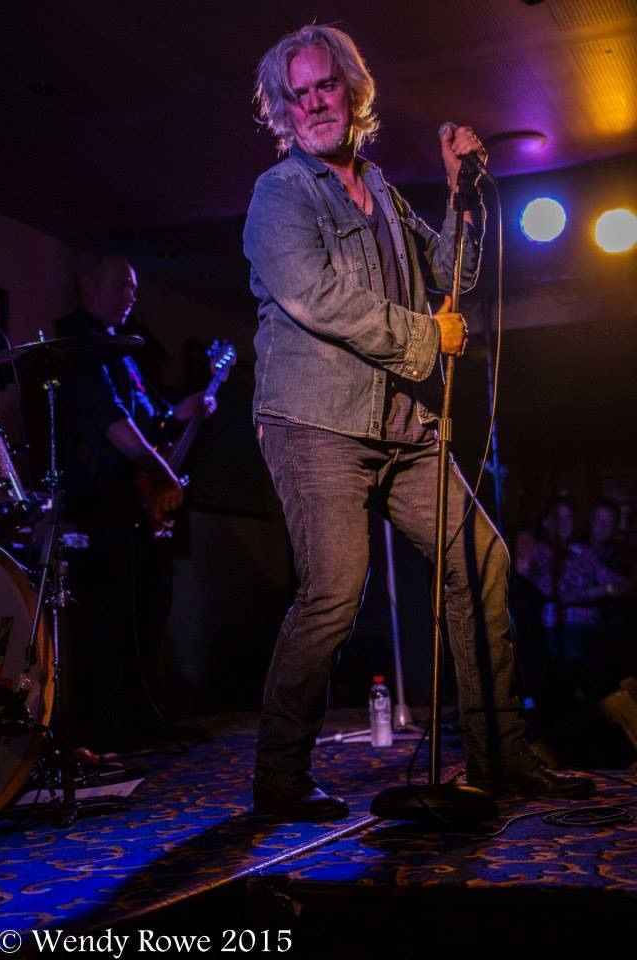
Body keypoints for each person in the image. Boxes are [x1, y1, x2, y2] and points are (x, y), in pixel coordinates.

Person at [243, 24, 594, 820]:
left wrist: (459, 193)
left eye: (324, 86)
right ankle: (280, 776)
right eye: (297, 95)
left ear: (352, 90)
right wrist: (425, 337)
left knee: (483, 560)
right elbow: (318, 298)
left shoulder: (382, 191)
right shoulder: (280, 195)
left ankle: (501, 757)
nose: (313, 104)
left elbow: (451, 273)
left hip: (403, 423)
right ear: (283, 109)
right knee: (335, 591)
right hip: (316, 422)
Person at [55, 252, 214, 754]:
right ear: (88, 286)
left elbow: (150, 419)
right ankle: (104, 729)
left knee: (146, 612)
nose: (132, 295)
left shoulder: (120, 349)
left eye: (134, 287)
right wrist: (162, 472)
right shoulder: (79, 346)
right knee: (107, 620)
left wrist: (186, 408)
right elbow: (115, 426)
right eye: (122, 285)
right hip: (99, 507)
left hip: (131, 508)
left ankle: (141, 717)